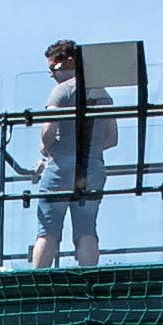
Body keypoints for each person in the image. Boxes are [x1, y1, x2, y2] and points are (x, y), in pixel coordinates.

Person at [34, 41, 117, 269]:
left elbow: (48, 131)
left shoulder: (62, 90)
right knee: (86, 227)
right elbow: (112, 137)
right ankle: (88, 278)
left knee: (48, 230)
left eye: (54, 68)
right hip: (92, 166)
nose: (51, 74)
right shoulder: (102, 92)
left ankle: (37, 282)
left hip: (61, 166)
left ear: (70, 62)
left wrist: (45, 147)